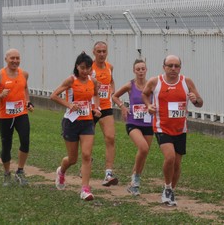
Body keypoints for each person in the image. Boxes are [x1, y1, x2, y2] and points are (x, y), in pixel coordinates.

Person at [142, 55, 203, 207]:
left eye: (176, 66)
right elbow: (145, 93)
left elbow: (200, 103)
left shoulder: (186, 82)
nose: (173, 69)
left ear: (180, 68)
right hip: (162, 127)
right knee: (169, 158)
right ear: (164, 67)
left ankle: (171, 190)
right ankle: (167, 187)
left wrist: (195, 99)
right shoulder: (155, 82)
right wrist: (148, 106)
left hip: (180, 129)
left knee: (176, 163)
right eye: (170, 66)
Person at [51, 52, 101, 201]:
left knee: (86, 155)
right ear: (77, 67)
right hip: (71, 122)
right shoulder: (71, 80)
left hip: (87, 122)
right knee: (72, 159)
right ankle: (61, 171)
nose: (85, 71)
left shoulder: (93, 81)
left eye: (88, 68)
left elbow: (96, 95)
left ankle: (85, 189)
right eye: (82, 68)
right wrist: (69, 105)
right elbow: (53, 95)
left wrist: (96, 108)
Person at [0, 49, 34, 186]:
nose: (15, 61)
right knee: (6, 146)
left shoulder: (24, 74)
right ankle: (6, 173)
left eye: (17, 58)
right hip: (5, 116)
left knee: (25, 141)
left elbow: (25, 89)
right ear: (6, 59)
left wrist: (28, 102)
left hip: (21, 114)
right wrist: (0, 95)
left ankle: (20, 171)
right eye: (12, 58)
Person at [112, 59, 153, 196]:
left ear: (146, 70)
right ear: (134, 71)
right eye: (138, 69)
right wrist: (122, 107)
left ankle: (133, 184)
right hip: (133, 122)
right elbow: (115, 96)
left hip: (148, 123)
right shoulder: (130, 85)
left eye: (143, 69)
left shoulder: (152, 85)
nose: (141, 71)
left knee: (143, 153)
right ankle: (135, 180)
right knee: (143, 147)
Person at [90, 41, 118, 186]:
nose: (101, 54)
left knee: (110, 137)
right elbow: (79, 82)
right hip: (91, 108)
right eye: (99, 51)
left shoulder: (109, 67)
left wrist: (111, 91)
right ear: (93, 52)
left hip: (106, 107)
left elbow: (111, 81)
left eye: (104, 51)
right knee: (88, 141)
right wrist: (92, 85)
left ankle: (108, 173)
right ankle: (86, 161)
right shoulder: (89, 68)